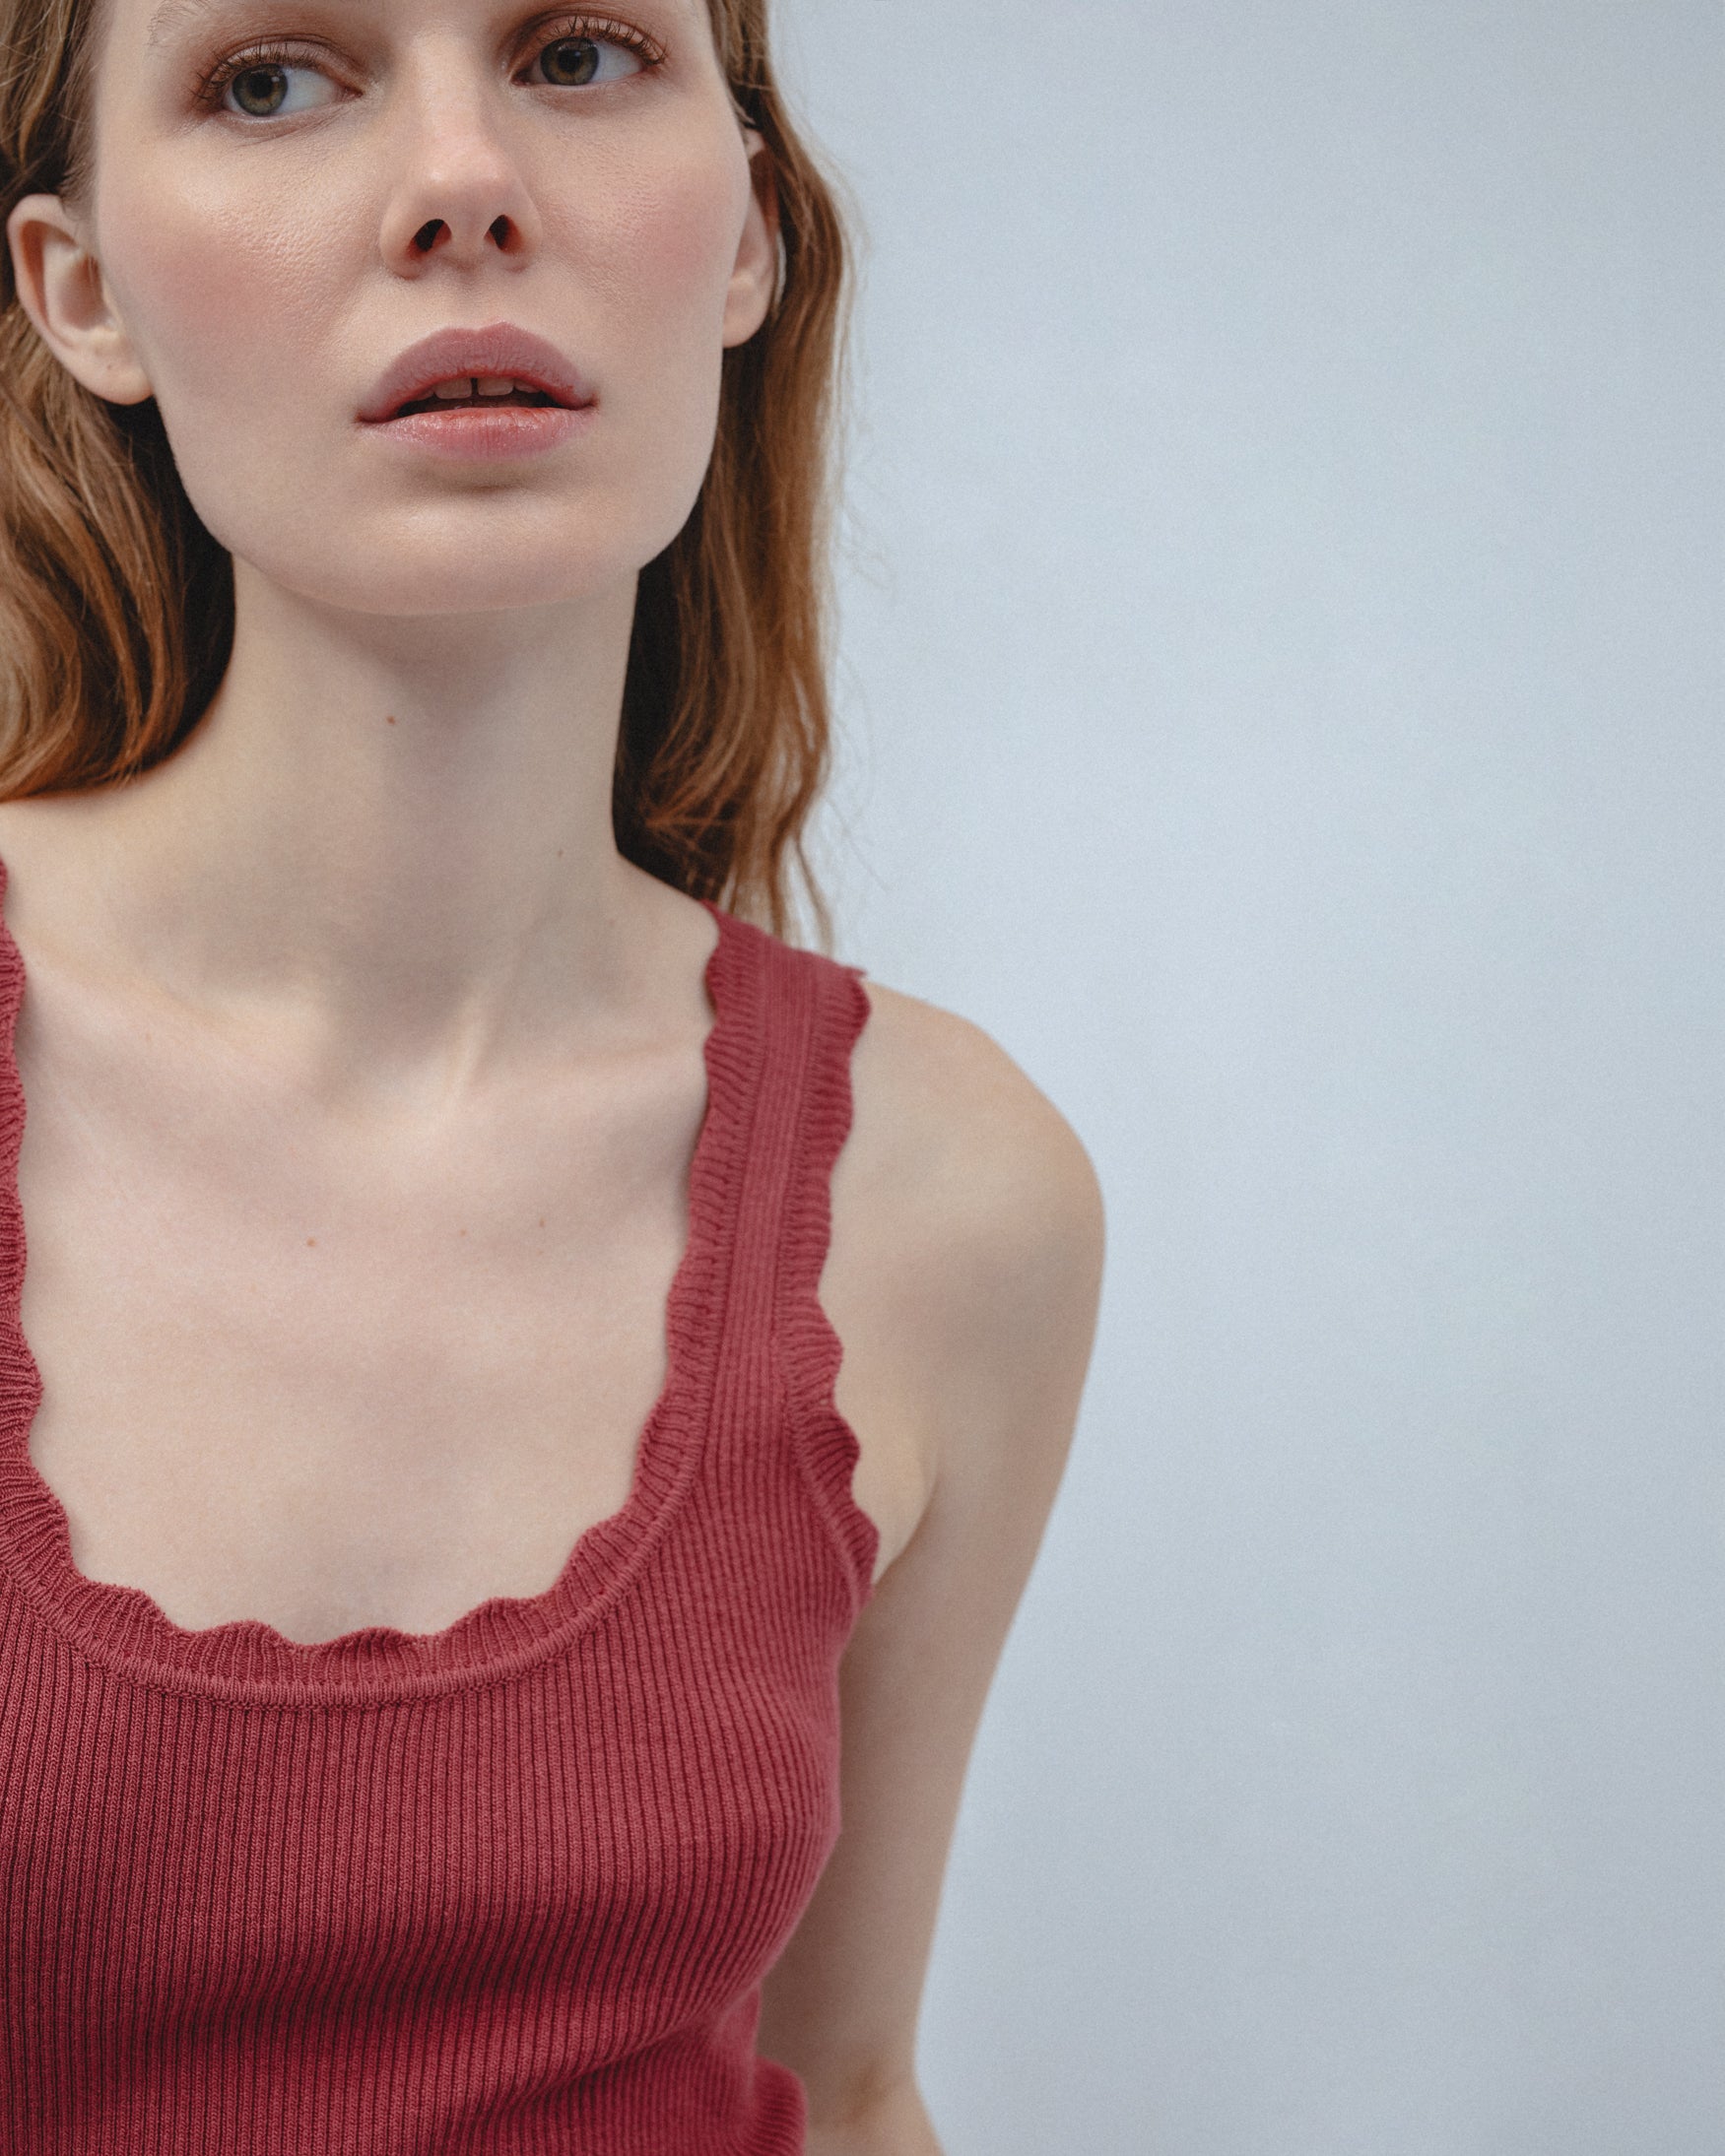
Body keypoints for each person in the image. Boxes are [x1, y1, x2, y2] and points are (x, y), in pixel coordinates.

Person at [0, 1, 1104, 2148]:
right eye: (271, 79)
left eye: (580, 54)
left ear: (747, 238)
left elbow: (845, 2088)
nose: (462, 183)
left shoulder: (953, 1200)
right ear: (84, 289)